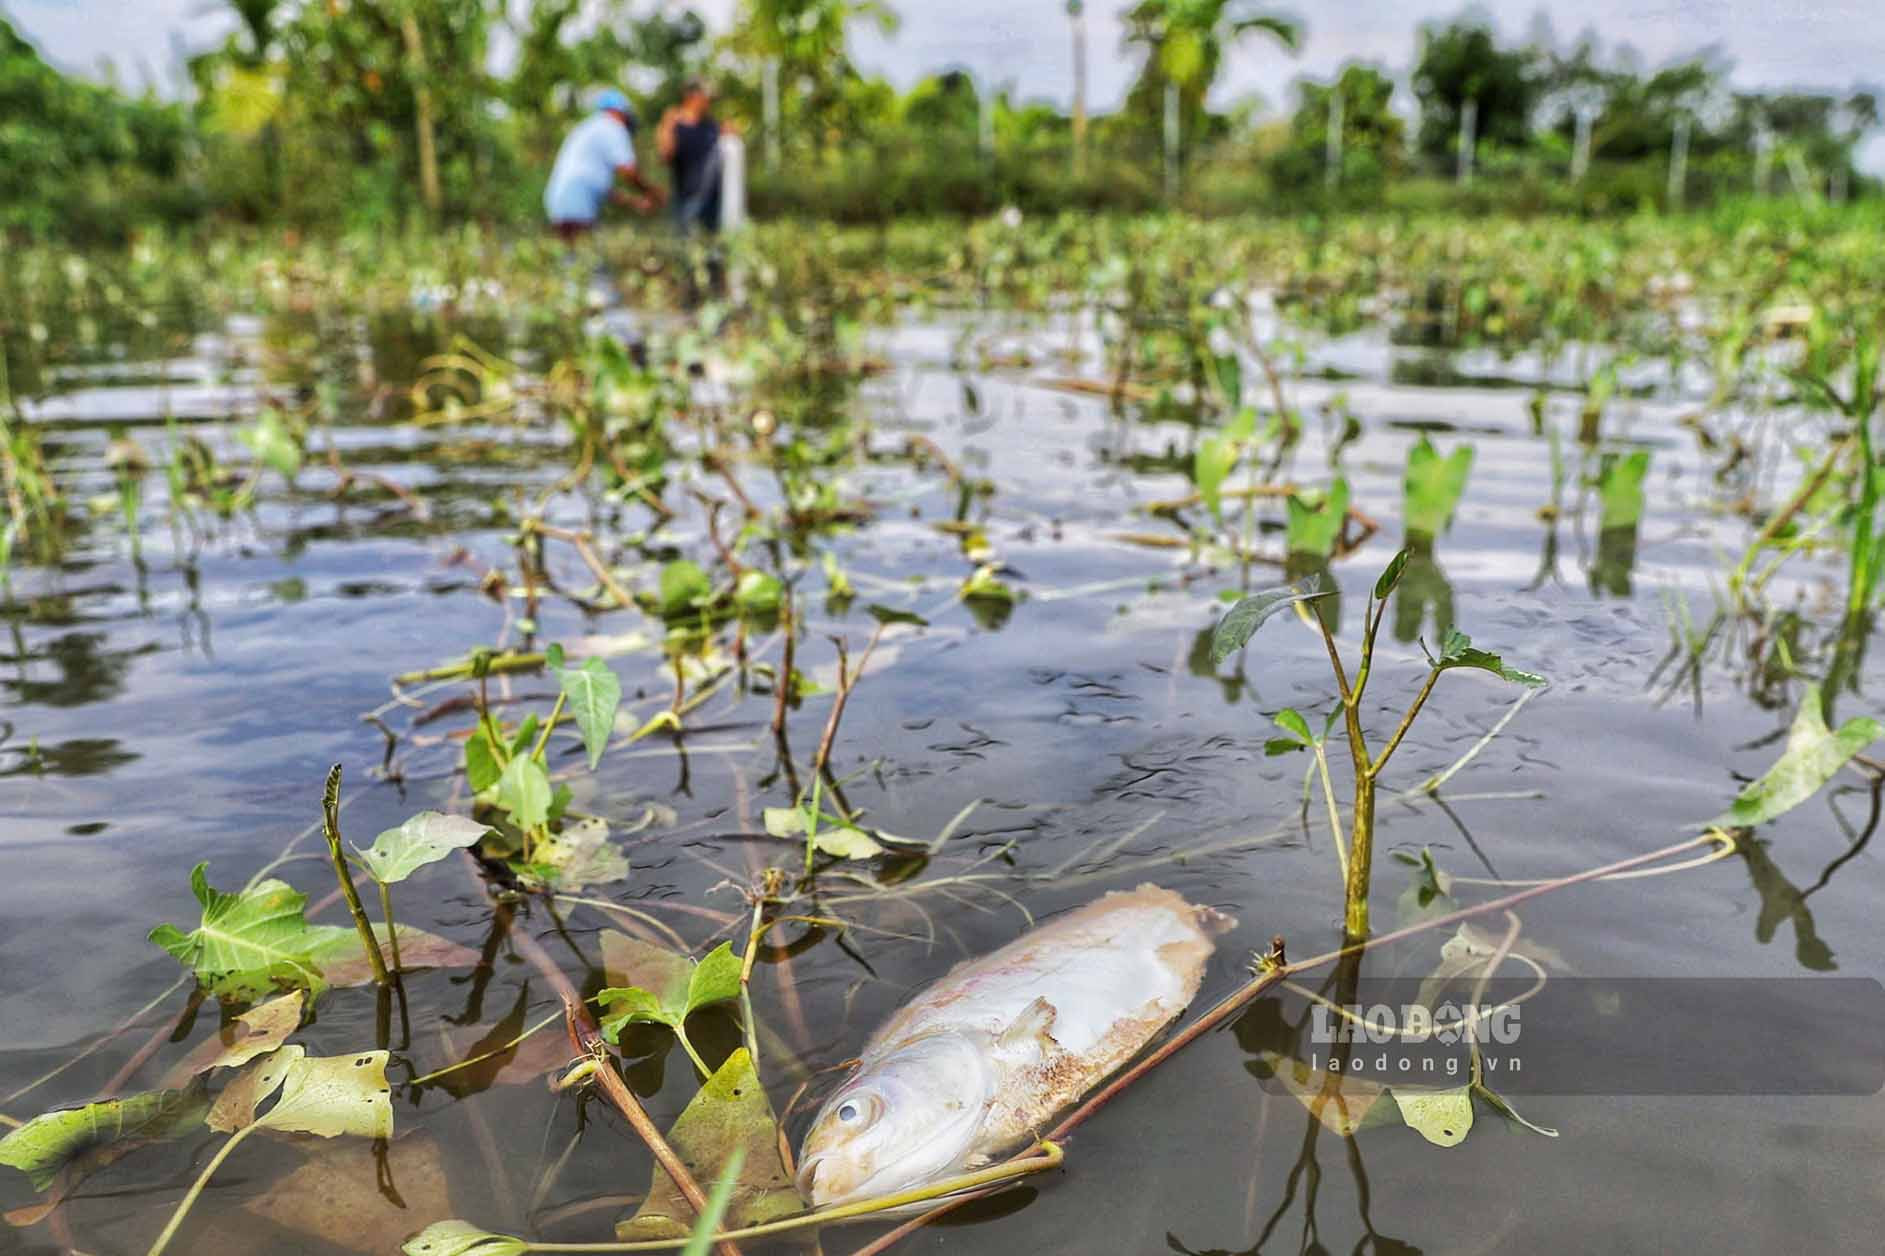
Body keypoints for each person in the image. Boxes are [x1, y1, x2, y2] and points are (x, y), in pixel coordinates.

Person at [543, 89, 665, 241]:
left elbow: (600, 187)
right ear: (619, 112)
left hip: (560, 201)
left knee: (572, 257)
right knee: (584, 257)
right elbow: (628, 171)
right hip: (576, 202)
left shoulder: (588, 127)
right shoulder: (612, 127)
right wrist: (652, 192)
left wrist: (634, 202)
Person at [657, 80, 724, 235]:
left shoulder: (711, 125)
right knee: (684, 247)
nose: (709, 103)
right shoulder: (674, 122)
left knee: (712, 245)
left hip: (712, 200)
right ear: (691, 96)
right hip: (685, 199)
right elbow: (664, 157)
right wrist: (668, 127)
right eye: (706, 97)